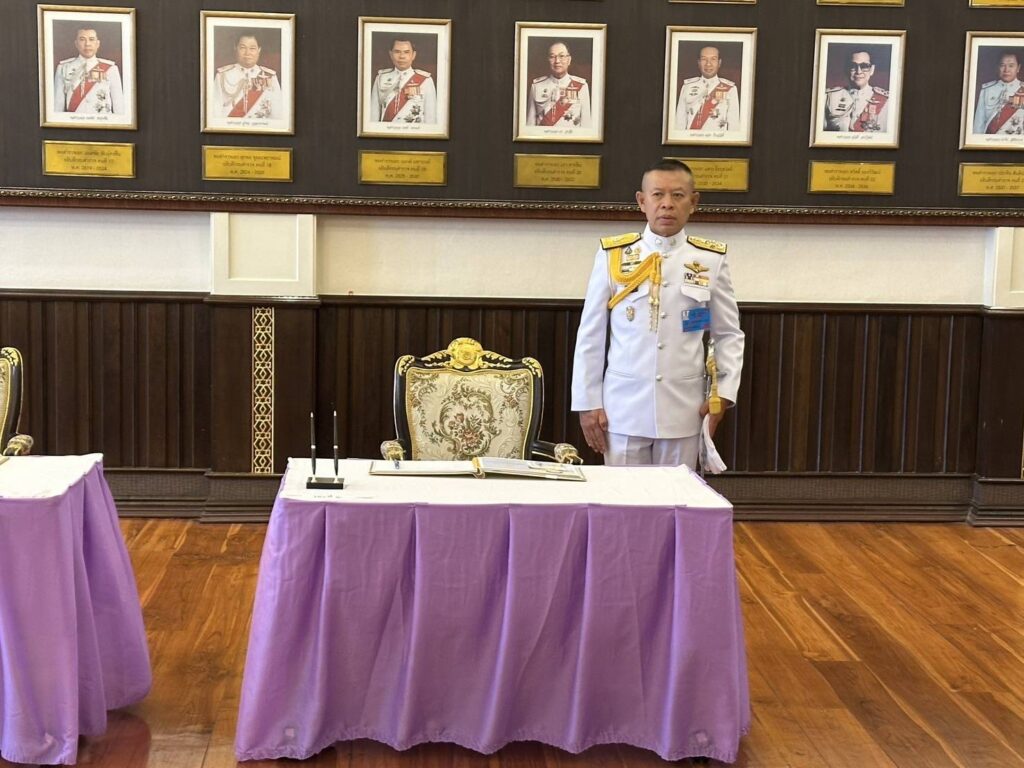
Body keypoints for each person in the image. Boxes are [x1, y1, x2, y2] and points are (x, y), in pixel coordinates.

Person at [571, 159, 744, 467]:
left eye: (677, 195)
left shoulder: (709, 259)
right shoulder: (613, 255)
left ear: (694, 202)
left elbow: (728, 334)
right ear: (642, 201)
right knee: (623, 496)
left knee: (677, 494)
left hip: (684, 410)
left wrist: (724, 393)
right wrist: (587, 403)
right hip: (622, 410)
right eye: (657, 195)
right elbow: (590, 335)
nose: (667, 204)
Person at [53, 26, 124, 115]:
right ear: (76, 43)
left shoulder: (111, 69)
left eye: (91, 39)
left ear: (97, 43)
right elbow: (58, 107)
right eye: (82, 39)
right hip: (74, 121)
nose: (87, 44)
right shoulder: (63, 68)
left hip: (102, 121)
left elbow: (119, 107)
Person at [211, 32, 282, 119]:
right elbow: (215, 112)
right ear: (235, 48)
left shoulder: (270, 76)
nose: (247, 53)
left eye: (252, 48)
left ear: (259, 49)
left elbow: (277, 113)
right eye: (242, 48)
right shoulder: (222, 75)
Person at [369, 38, 437, 123]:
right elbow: (373, 115)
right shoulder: (381, 78)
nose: (402, 56)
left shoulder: (426, 81)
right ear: (391, 54)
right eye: (397, 52)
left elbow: (431, 118)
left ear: (413, 55)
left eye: (406, 52)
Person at [525, 41, 591, 128]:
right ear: (548, 60)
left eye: (562, 56)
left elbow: (586, 125)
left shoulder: (581, 86)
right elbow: (530, 125)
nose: (557, 61)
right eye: (552, 57)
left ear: (569, 60)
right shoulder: (537, 86)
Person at [675, 45, 740, 131]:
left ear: (719, 62)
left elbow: (734, 126)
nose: (708, 64)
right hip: (692, 138)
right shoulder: (687, 87)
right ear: (699, 62)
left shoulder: (730, 89)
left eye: (713, 59)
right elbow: (679, 123)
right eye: (704, 59)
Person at [823, 49, 889, 132]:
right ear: (846, 69)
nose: (858, 71)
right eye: (853, 66)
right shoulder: (829, 97)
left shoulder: (886, 101)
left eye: (864, 66)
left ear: (872, 70)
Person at [973, 52, 1024, 135]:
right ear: (998, 67)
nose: (1006, 70)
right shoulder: (987, 90)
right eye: (1002, 65)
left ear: (1018, 68)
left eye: (1011, 66)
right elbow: (979, 124)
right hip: (990, 141)